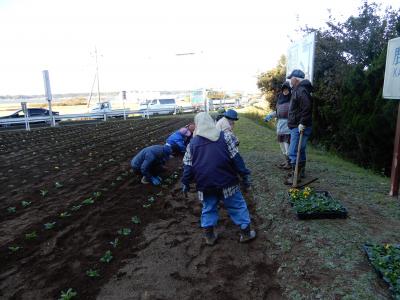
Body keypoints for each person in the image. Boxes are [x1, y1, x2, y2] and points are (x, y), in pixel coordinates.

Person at [181, 112, 256, 246]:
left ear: (197, 125)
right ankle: (245, 232)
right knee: (237, 205)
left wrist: (185, 183)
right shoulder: (225, 137)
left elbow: (188, 167)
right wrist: (244, 175)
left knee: (209, 207)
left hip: (205, 185)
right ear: (211, 122)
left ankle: (209, 235)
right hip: (227, 181)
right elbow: (236, 159)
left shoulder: (192, 144)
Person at [284, 69, 313, 185]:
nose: (290, 80)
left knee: (293, 151)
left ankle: (295, 176)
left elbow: (307, 107)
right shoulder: (300, 89)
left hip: (299, 126)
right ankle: (300, 173)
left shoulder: (300, 90)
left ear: (296, 79)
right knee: (300, 150)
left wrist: (302, 123)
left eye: (291, 78)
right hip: (299, 125)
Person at [264, 81, 292, 169]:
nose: (285, 91)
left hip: (288, 127)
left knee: (287, 147)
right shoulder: (280, 100)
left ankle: (290, 163)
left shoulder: (292, 100)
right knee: (282, 147)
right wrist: (269, 116)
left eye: (287, 89)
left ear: (289, 90)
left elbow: (294, 112)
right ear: (282, 90)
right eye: (284, 90)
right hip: (280, 127)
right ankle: (286, 161)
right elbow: (277, 112)